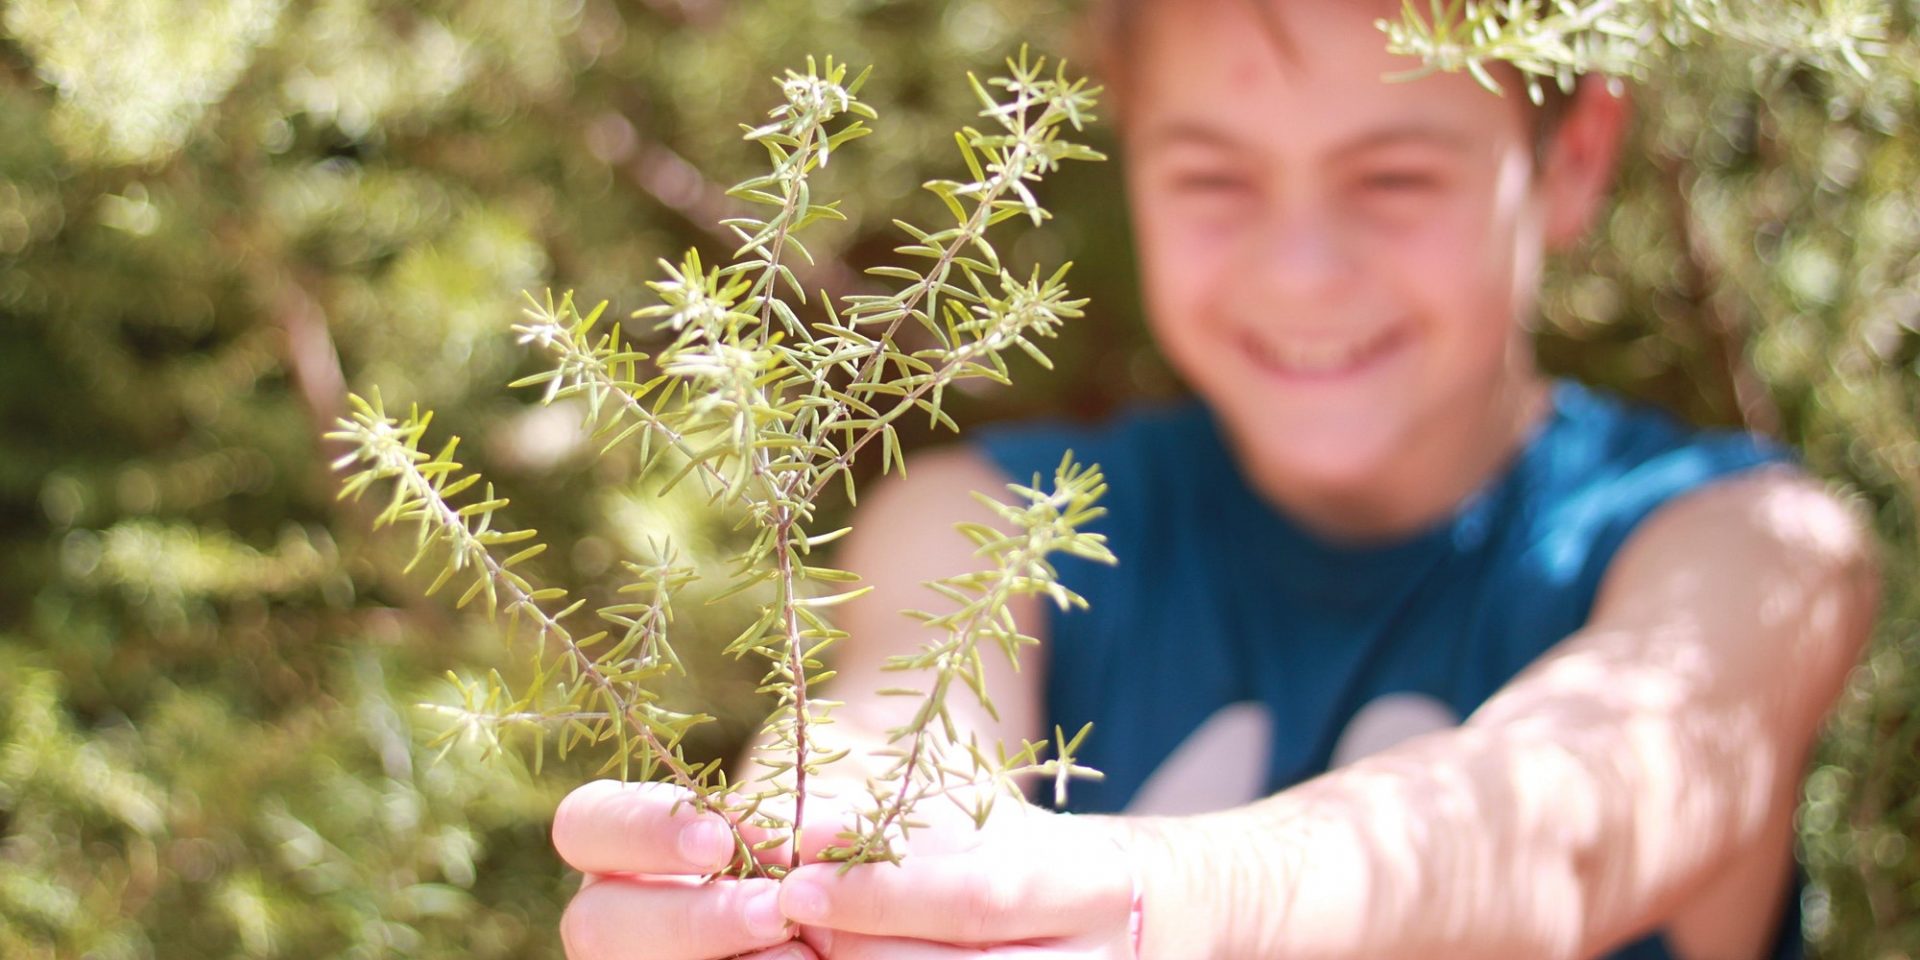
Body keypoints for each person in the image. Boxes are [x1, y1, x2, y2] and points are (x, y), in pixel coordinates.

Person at [546, 0, 1882, 957]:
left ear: (1572, 159)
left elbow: (1581, 818)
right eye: (1213, 177)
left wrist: (1162, 900)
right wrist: (803, 877)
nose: (1301, 271)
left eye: (1395, 176)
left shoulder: (1751, 552)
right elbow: (895, 726)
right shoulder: (989, 515)